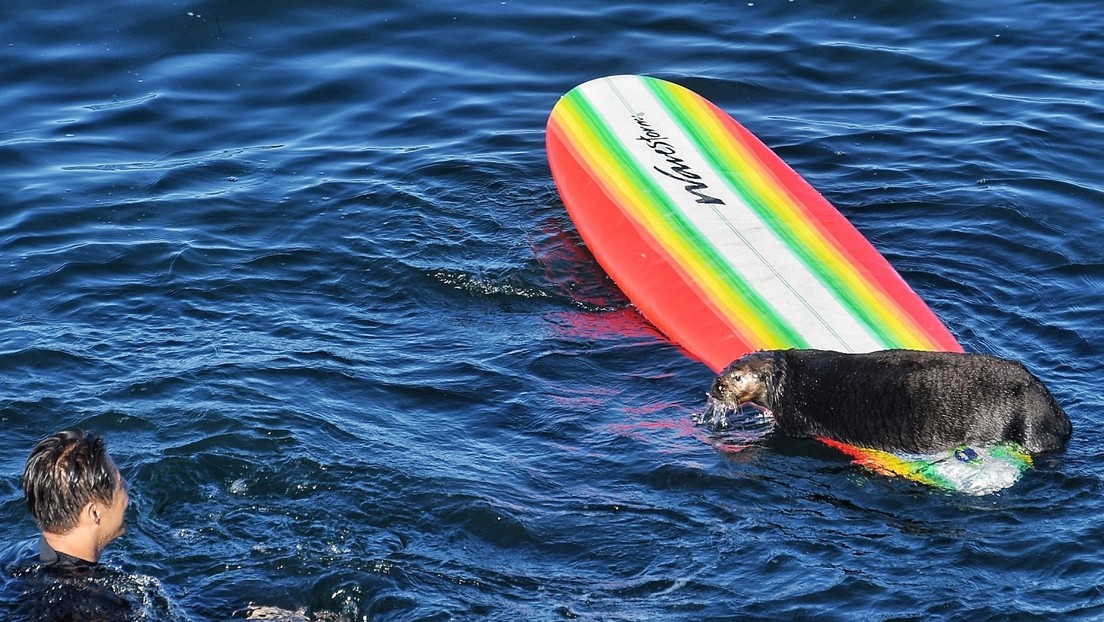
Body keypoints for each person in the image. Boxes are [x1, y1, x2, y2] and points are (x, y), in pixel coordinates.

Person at [0, 430, 133, 620]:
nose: (128, 487)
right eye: (120, 485)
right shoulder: (98, 607)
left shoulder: (14, 556)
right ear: (94, 512)